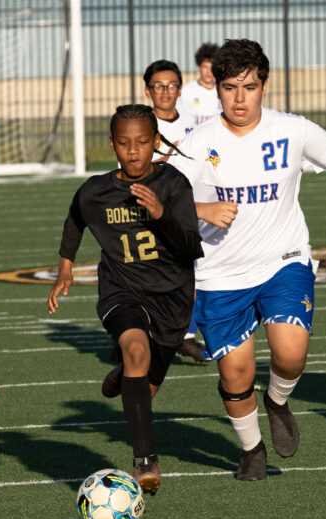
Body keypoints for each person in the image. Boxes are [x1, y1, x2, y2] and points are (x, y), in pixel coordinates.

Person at [170, 39, 326, 481]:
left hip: (284, 260)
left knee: (291, 353)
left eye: (250, 86)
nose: (240, 98)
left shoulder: (293, 130)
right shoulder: (197, 143)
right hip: (220, 273)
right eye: (229, 87)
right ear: (216, 88)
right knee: (237, 376)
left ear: (264, 85)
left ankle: (277, 401)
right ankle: (252, 449)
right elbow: (157, 199)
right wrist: (201, 211)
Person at [47, 105, 203, 493]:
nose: (133, 151)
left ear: (155, 142)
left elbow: (190, 246)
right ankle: (145, 461)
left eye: (142, 142)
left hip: (172, 299)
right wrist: (65, 265)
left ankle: (122, 376)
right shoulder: (97, 190)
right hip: (122, 291)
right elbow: (75, 216)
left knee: (145, 388)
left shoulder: (173, 184)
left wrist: (161, 213)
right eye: (124, 143)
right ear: (112, 145)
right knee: (135, 349)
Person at [143, 59, 206, 362]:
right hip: (149, 211)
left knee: (193, 275)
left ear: (180, 89)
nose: (165, 92)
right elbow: (131, 170)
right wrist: (169, 155)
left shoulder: (197, 122)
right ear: (147, 90)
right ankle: (136, 336)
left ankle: (188, 336)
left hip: (188, 208)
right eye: (158, 86)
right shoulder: (139, 123)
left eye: (171, 86)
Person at [177, 43, 222, 125]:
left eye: (212, 67)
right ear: (199, 67)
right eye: (205, 67)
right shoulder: (186, 91)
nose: (209, 72)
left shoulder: (223, 90)